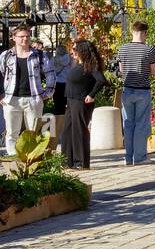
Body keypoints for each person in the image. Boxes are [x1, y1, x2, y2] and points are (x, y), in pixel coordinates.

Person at [1, 24, 56, 154]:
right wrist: (1, 95)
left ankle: (31, 161)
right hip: (11, 99)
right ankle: (14, 160)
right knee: (11, 133)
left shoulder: (39, 55)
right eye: (21, 37)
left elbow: (50, 73)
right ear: (14, 38)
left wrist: (48, 93)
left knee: (33, 132)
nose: (25, 39)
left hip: (33, 99)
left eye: (27, 36)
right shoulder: (6, 56)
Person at [116, 21, 155, 165]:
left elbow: (121, 71)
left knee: (128, 124)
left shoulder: (122, 48)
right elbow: (153, 72)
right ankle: (139, 157)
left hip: (127, 89)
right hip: (142, 90)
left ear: (132, 31)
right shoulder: (149, 49)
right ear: (145, 32)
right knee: (141, 124)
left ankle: (128, 157)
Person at [59, 39, 105, 169]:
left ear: (82, 51)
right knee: (67, 131)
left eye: (75, 49)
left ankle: (81, 162)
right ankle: (67, 161)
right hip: (71, 100)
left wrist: (91, 95)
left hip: (81, 102)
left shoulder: (90, 65)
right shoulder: (78, 65)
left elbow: (101, 81)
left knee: (79, 131)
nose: (72, 52)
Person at [49, 43, 70, 115]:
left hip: (57, 83)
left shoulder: (53, 60)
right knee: (66, 103)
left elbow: (50, 70)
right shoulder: (70, 59)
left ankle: (58, 121)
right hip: (67, 83)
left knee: (57, 104)